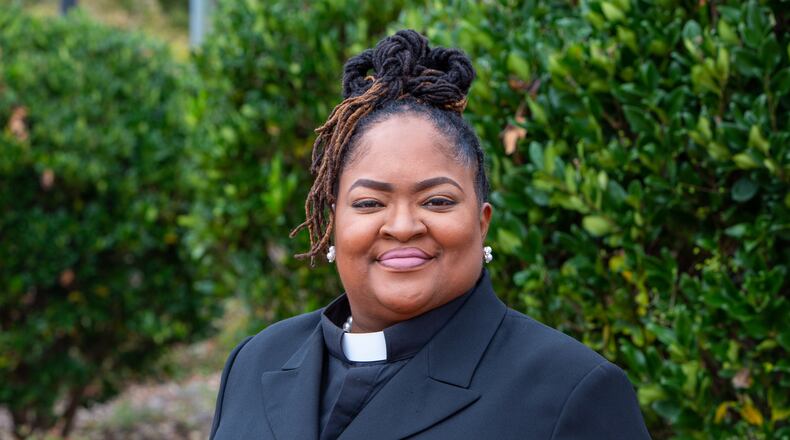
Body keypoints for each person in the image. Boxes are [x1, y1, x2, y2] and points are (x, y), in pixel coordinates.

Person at [209, 29, 651, 440]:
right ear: (332, 223)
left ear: (482, 223)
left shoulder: (571, 390)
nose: (402, 227)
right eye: (369, 203)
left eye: (436, 201)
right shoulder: (256, 360)